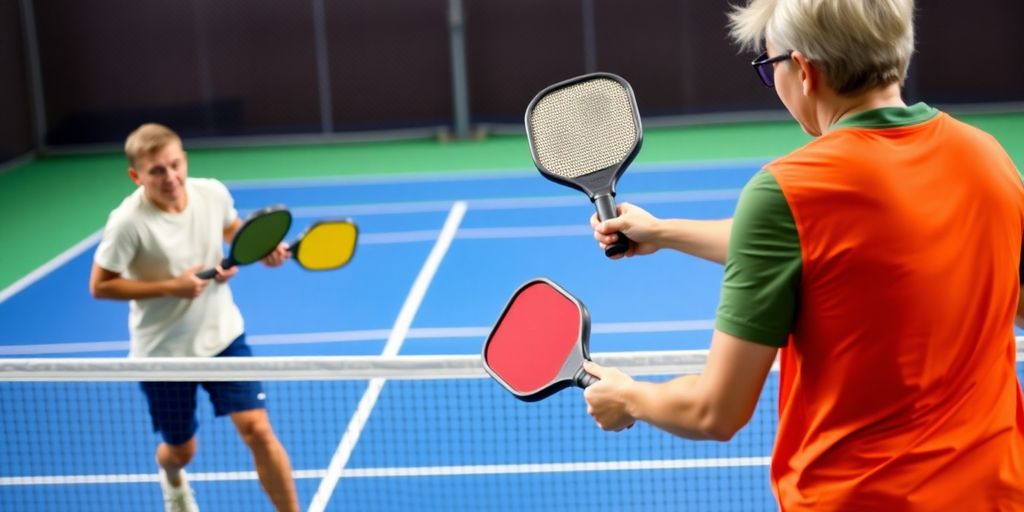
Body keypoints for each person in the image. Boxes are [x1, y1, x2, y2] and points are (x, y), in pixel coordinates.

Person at [582, 0, 1024, 510]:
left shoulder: (788, 192)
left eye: (769, 67)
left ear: (806, 71)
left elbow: (714, 412)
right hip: (998, 492)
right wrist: (664, 232)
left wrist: (628, 397)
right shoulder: (987, 158)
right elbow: (837, 250)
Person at [89, 123, 299, 512]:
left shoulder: (211, 193)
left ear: (184, 159)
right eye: (157, 171)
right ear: (136, 175)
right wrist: (172, 286)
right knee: (181, 450)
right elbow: (100, 286)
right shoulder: (127, 223)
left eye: (175, 165)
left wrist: (260, 250)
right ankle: (172, 478)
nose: (171, 178)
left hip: (223, 336)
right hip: (163, 354)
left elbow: (233, 230)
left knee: (258, 430)